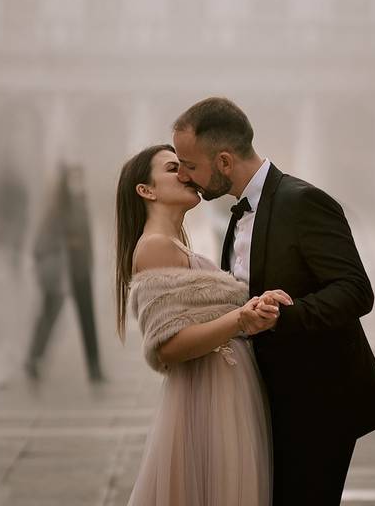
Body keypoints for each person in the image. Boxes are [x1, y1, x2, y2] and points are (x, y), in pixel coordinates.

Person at [173, 97, 375, 506]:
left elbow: (355, 290)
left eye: (189, 165)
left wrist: (280, 317)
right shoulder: (239, 213)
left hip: (318, 402)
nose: (186, 177)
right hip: (271, 400)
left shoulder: (302, 202)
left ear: (223, 161)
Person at [117, 144, 287, 506]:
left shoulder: (175, 246)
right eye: (173, 168)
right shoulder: (156, 247)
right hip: (207, 396)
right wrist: (240, 317)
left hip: (222, 390)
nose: (186, 175)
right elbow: (167, 347)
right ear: (146, 190)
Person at [25, 163, 104, 383]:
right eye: (73, 178)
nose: (77, 183)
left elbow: (87, 239)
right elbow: (42, 241)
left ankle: (94, 367)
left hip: (79, 269)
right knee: (48, 316)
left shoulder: (82, 204)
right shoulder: (56, 207)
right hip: (59, 271)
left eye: (80, 178)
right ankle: (33, 358)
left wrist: (89, 261)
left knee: (87, 318)